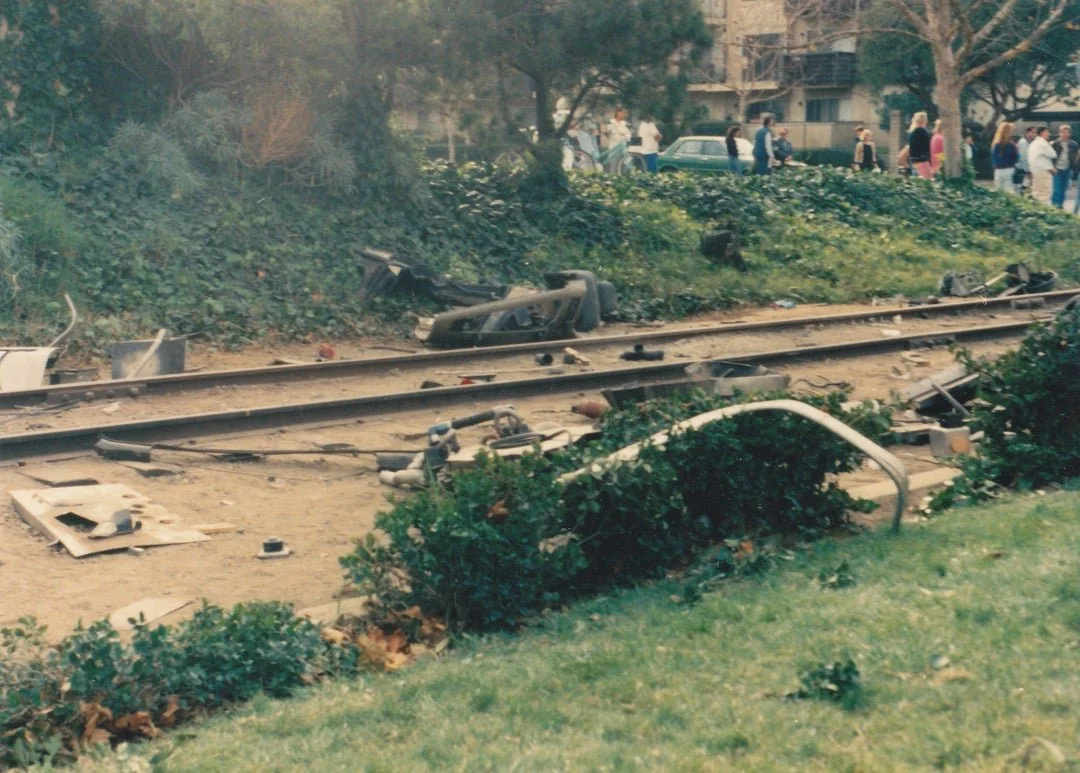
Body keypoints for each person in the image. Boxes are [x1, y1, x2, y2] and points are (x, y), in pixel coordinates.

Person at [1050, 124, 1079, 209]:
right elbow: (1050, 157)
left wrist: (1074, 172)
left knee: (1063, 189)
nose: (1064, 134)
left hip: (1067, 169)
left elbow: (1076, 159)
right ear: (1059, 133)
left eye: (1066, 133)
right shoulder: (1054, 143)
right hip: (1057, 169)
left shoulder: (1074, 144)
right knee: (1057, 190)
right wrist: (1052, 167)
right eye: (1062, 132)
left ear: (1069, 134)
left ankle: (1060, 206)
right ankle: (1054, 207)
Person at [1028, 125, 1058, 205]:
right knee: (1045, 193)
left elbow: (1040, 158)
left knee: (1036, 193)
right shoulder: (1042, 142)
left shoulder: (1033, 143)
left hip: (1034, 171)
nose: (1049, 134)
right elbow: (1053, 154)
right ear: (1042, 133)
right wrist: (1050, 145)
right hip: (1043, 172)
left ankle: (1034, 212)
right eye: (1047, 132)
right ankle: (1042, 213)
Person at [990, 121, 1020, 194]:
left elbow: (993, 157)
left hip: (998, 170)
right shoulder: (1011, 145)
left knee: (999, 191)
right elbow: (1016, 157)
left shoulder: (995, 144)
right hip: (1009, 168)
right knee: (1009, 191)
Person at [604, 108, 632, 173]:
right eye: (622, 113)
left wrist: (626, 138)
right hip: (614, 146)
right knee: (613, 164)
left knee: (624, 164)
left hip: (623, 146)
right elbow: (608, 133)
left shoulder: (624, 124)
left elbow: (628, 134)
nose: (623, 115)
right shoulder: (611, 123)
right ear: (617, 113)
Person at [908, 112, 932, 179]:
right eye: (926, 119)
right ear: (923, 120)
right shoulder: (921, 131)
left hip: (914, 161)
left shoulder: (912, 131)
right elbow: (928, 147)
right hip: (922, 160)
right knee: (928, 181)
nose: (927, 121)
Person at [1015, 125, 1035, 193]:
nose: (1034, 134)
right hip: (1022, 170)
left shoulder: (1027, 142)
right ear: (1027, 133)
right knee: (1022, 190)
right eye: (1032, 132)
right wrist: (1028, 171)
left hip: (1023, 169)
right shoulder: (1023, 142)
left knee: (1024, 190)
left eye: (1035, 133)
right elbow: (1024, 158)